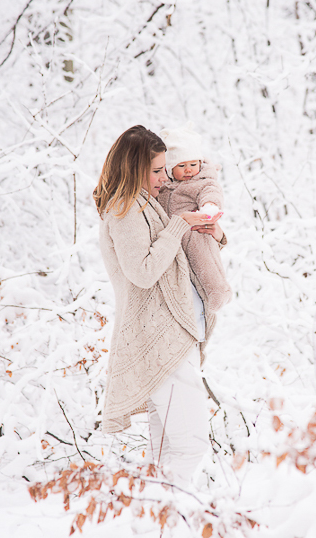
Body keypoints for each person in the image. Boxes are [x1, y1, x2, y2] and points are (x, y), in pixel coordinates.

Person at [92, 125, 223, 485]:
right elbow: (145, 271)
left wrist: (214, 234)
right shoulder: (124, 211)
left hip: (173, 338)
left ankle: (154, 522)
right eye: (156, 171)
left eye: (166, 169)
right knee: (190, 446)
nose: (165, 178)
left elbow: (178, 252)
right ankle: (164, 519)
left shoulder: (147, 202)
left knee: (166, 451)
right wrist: (179, 224)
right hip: (161, 342)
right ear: (133, 169)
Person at [157, 124, 233, 313]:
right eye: (181, 166)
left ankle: (218, 290)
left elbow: (211, 191)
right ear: (170, 168)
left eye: (193, 164)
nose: (189, 170)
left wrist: (209, 207)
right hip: (172, 238)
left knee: (204, 260)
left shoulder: (202, 181)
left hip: (195, 232)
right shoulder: (163, 185)